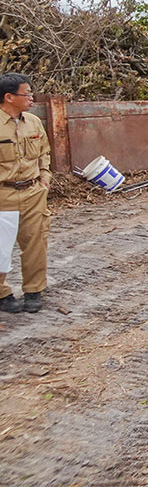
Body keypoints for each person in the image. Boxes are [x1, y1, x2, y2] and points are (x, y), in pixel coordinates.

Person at [0, 74, 51, 314]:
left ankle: (34, 291)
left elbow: (44, 153)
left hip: (32, 192)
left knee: (35, 242)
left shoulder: (33, 122)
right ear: (9, 98)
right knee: (1, 247)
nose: (31, 98)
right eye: (26, 93)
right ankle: (3, 294)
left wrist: (44, 179)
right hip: (3, 195)